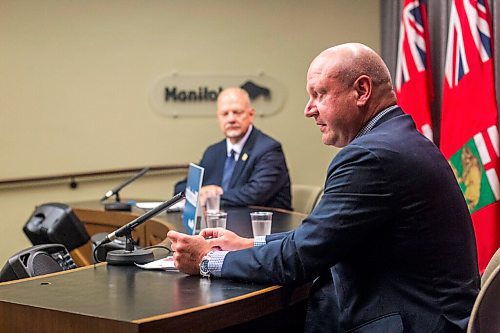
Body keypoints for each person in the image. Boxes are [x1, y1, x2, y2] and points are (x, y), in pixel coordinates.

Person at [167, 43, 480, 332]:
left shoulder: (371, 156)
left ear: (361, 90)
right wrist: (248, 245)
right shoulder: (398, 139)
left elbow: (299, 259)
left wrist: (208, 261)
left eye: (319, 94)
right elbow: (317, 236)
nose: (308, 109)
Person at [174, 87, 292, 210]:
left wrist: (211, 197)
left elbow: (254, 194)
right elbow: (180, 188)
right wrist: (201, 191)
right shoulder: (213, 152)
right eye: (225, 114)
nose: (231, 119)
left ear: (251, 115)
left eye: (237, 112)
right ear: (218, 118)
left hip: (267, 226)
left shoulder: (268, 149)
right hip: (222, 224)